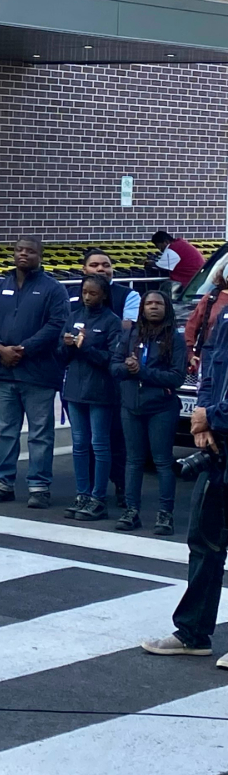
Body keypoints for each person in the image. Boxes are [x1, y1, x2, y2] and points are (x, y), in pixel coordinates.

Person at [141, 279, 228, 662]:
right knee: (204, 541)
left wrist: (213, 415)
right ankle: (193, 632)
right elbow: (210, 366)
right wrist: (204, 417)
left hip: (220, 426)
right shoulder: (223, 312)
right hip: (220, 443)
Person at [0, 236, 71, 508]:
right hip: (2, 372)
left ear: (39, 255)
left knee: (40, 433)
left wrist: (23, 349)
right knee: (5, 431)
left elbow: (57, 325)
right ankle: (2, 484)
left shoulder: (54, 290)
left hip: (39, 373)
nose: (23, 255)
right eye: (19, 250)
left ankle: (39, 487)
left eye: (29, 251)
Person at [117, 290, 185, 535]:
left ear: (166, 307)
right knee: (133, 461)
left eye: (158, 303)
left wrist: (142, 372)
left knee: (162, 462)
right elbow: (113, 366)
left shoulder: (174, 338)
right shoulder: (131, 334)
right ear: (142, 308)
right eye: (149, 303)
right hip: (131, 406)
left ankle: (165, 515)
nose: (153, 307)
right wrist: (127, 367)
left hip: (161, 408)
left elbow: (176, 377)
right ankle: (131, 511)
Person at [60, 274, 125, 521]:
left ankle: (99, 497)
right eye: (85, 292)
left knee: (99, 444)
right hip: (75, 390)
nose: (87, 297)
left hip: (100, 391)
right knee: (79, 444)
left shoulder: (112, 322)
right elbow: (61, 356)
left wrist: (84, 347)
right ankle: (82, 494)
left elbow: (111, 359)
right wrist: (66, 345)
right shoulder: (74, 316)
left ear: (104, 295)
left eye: (93, 293)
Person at [148, 230, 205, 295]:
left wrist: (149, 263)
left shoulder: (172, 249)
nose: (160, 249)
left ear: (165, 242)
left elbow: (160, 266)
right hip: (198, 277)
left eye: (159, 246)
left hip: (190, 281)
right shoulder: (180, 244)